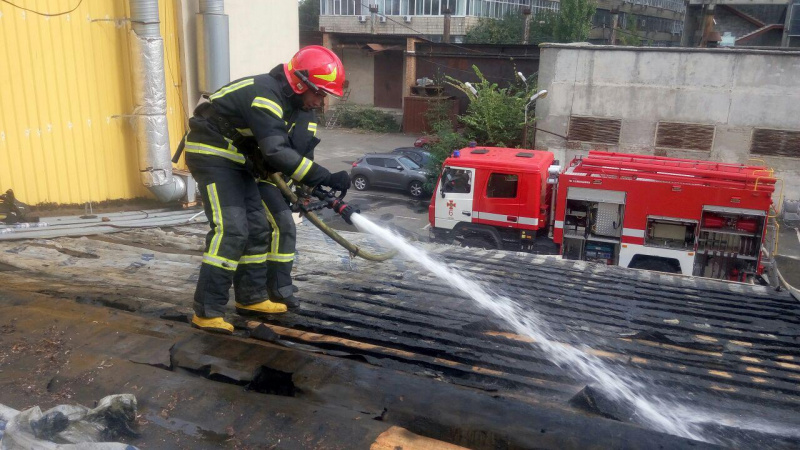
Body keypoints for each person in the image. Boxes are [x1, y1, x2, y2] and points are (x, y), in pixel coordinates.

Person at [183, 45, 350, 334]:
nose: (320, 102)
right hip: (213, 156)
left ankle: (251, 298)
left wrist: (311, 183)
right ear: (300, 83)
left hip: (238, 161)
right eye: (319, 93)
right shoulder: (266, 95)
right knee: (231, 229)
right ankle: (207, 311)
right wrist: (326, 177)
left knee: (258, 228)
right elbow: (276, 153)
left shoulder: (287, 103)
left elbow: (288, 152)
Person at [257, 108, 319, 309]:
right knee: (284, 228)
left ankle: (274, 282)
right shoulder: (277, 106)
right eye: (318, 93)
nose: (320, 100)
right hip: (262, 179)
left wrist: (304, 191)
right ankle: (278, 289)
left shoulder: (308, 113)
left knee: (272, 234)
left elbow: (306, 151)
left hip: (284, 183)